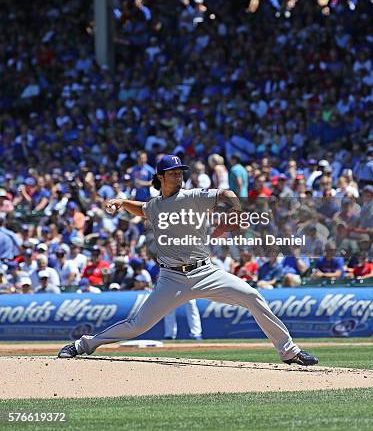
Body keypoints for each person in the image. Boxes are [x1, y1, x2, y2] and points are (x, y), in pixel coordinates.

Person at [58, 154, 318, 366]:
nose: (178, 175)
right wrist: (124, 201)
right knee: (137, 325)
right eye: (172, 172)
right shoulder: (156, 204)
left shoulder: (192, 196)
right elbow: (145, 210)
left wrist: (237, 211)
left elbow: (226, 193)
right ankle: (84, 344)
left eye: (180, 171)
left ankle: (289, 351)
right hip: (171, 278)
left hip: (206, 272)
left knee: (252, 296)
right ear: (160, 177)